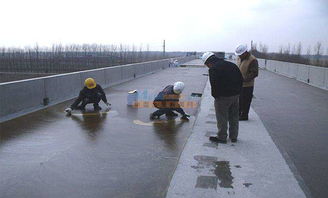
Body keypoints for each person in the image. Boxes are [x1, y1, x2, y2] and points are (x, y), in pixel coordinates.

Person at [202, 52, 243, 143]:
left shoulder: (213, 69)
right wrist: (238, 92)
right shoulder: (231, 65)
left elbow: (214, 85)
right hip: (235, 96)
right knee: (234, 117)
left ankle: (222, 137)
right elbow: (241, 79)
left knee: (222, 117)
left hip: (222, 97)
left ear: (208, 62)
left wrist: (216, 96)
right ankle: (234, 136)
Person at [235, 44, 259, 121]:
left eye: (240, 54)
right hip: (239, 84)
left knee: (245, 100)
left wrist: (244, 79)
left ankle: (244, 116)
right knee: (239, 100)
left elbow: (254, 73)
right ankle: (238, 114)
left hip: (247, 85)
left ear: (245, 52)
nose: (239, 56)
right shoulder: (239, 58)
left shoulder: (252, 60)